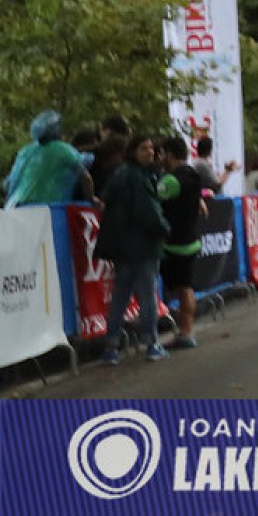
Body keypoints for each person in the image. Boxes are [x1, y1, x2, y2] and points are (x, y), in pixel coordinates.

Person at [95, 134, 171, 363]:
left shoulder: (120, 174)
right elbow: (148, 212)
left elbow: (104, 199)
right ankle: (152, 343)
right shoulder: (139, 178)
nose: (150, 152)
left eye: (151, 148)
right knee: (147, 297)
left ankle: (111, 347)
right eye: (144, 148)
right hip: (143, 246)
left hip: (121, 248)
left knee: (120, 298)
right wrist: (164, 228)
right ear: (132, 151)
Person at [156, 136, 206, 350]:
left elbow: (154, 199)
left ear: (169, 154)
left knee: (183, 289)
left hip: (176, 243)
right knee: (186, 287)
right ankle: (186, 330)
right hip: (191, 238)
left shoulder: (170, 181)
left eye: (161, 153)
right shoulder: (193, 175)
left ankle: (186, 332)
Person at [4, 110, 97, 208]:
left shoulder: (26, 151)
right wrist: (91, 199)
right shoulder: (62, 149)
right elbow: (86, 178)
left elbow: (10, 183)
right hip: (46, 208)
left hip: (15, 205)